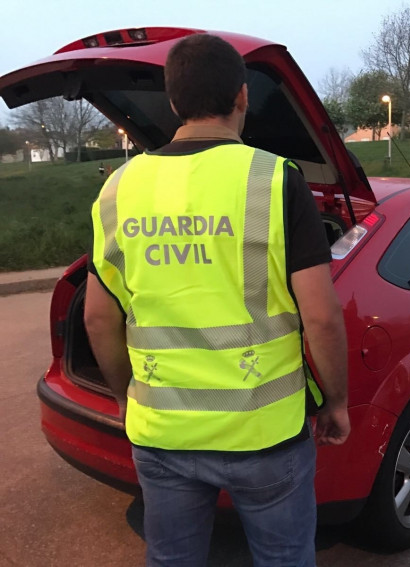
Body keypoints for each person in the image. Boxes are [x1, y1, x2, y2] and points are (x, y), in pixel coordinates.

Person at [84, 33, 350, 566]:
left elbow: (96, 317)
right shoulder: (275, 181)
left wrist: (123, 397)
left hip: (164, 434)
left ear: (173, 102)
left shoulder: (119, 188)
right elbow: (320, 317)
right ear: (243, 97)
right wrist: (337, 401)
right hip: (265, 434)